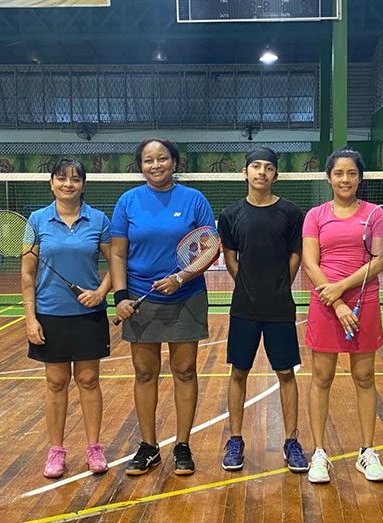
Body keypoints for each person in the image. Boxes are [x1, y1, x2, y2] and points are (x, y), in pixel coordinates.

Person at [110, 138, 215, 477]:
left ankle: (182, 445)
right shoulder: (128, 202)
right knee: (144, 373)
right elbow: (117, 254)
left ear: (174, 162)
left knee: (184, 371)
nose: (155, 165)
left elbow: (209, 247)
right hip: (141, 297)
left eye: (162, 158)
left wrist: (181, 278)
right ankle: (149, 446)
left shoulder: (194, 200)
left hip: (186, 296)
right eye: (148, 160)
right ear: (140, 165)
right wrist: (121, 296)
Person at [217, 147, 308, 473]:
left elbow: (296, 253)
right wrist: (246, 283)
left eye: (268, 168)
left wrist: (281, 283)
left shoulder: (291, 212)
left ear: (275, 175)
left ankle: (291, 441)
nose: (262, 172)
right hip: (244, 307)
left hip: (280, 306)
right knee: (238, 372)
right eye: (256, 166)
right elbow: (229, 253)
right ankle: (236, 439)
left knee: (285, 373)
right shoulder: (230, 214)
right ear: (245, 172)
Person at [21, 158, 112, 479]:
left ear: (83, 184)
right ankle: (56, 451)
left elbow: (116, 263)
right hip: (50, 314)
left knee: (89, 381)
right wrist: (30, 319)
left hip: (89, 315)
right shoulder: (36, 220)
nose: (68, 184)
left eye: (75, 179)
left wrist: (101, 293)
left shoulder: (98, 219)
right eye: (61, 179)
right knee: (56, 382)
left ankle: (94, 448)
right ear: (51, 183)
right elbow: (28, 274)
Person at [301, 149, 383, 484]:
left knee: (365, 377)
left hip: (363, 300)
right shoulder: (316, 215)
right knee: (321, 377)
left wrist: (342, 288)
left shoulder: (375, 214)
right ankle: (319, 453)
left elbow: (378, 261)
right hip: (325, 303)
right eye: (338, 173)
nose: (345, 179)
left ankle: (367, 452)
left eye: (351, 173)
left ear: (360, 178)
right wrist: (335, 300)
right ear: (329, 177)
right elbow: (311, 262)